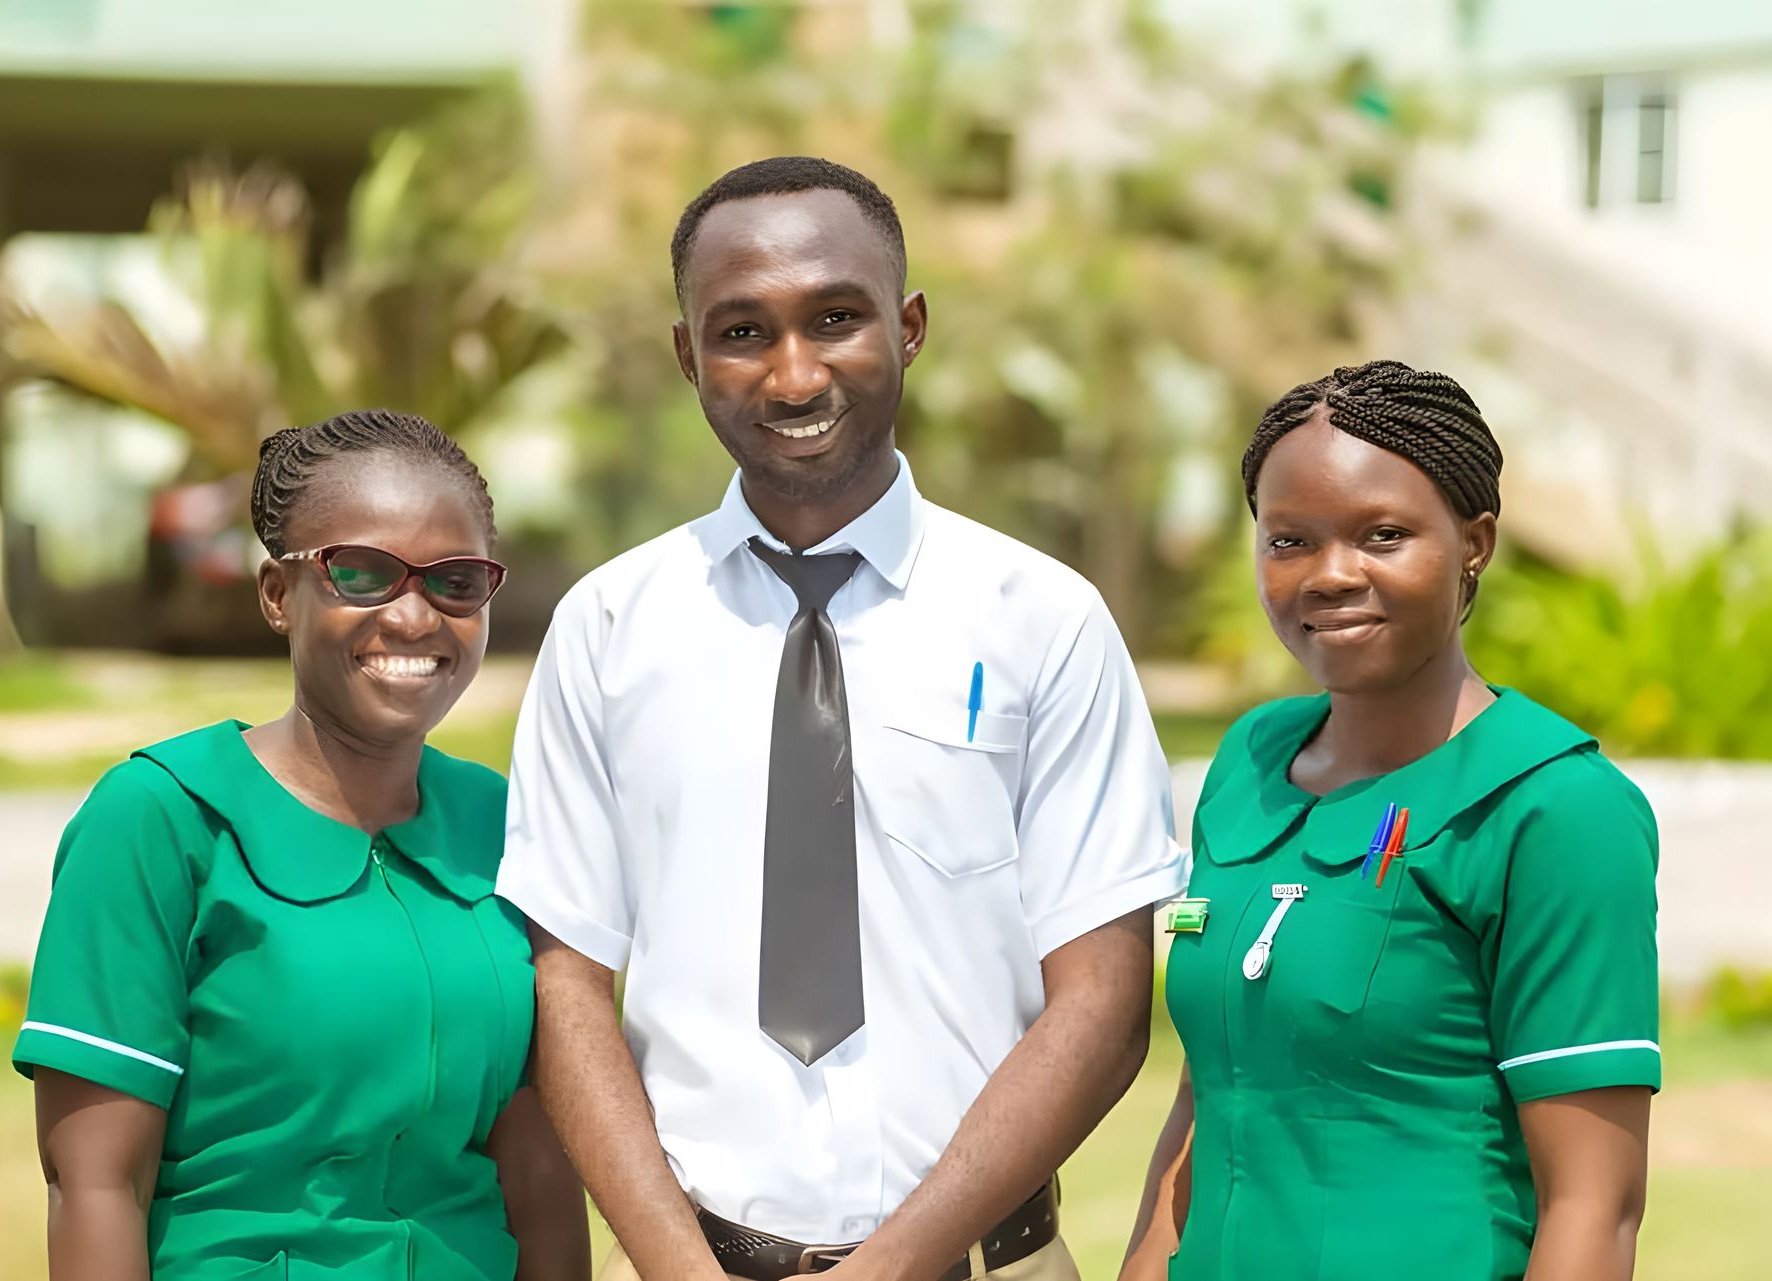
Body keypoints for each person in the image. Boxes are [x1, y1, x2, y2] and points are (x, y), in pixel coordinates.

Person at [497, 155, 1187, 1281]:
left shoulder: (1042, 620)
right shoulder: (608, 628)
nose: (794, 373)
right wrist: (676, 1266)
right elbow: (567, 980)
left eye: (836, 318)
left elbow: (1105, 1004)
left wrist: (892, 1266)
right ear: (687, 354)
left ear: (909, 327)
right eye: (742, 332)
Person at [12, 410, 587, 1281]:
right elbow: (96, 1182)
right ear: (280, 595)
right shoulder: (163, 818)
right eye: (361, 573)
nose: (413, 615)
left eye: (456, 581)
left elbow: (538, 1171)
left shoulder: (502, 823)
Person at [1121, 361, 1657, 1280]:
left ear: (1474, 543)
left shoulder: (1555, 808)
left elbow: (1594, 1207)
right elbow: (1209, 1092)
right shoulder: (1248, 766)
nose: (1331, 575)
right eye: (1289, 540)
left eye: (1383, 535)